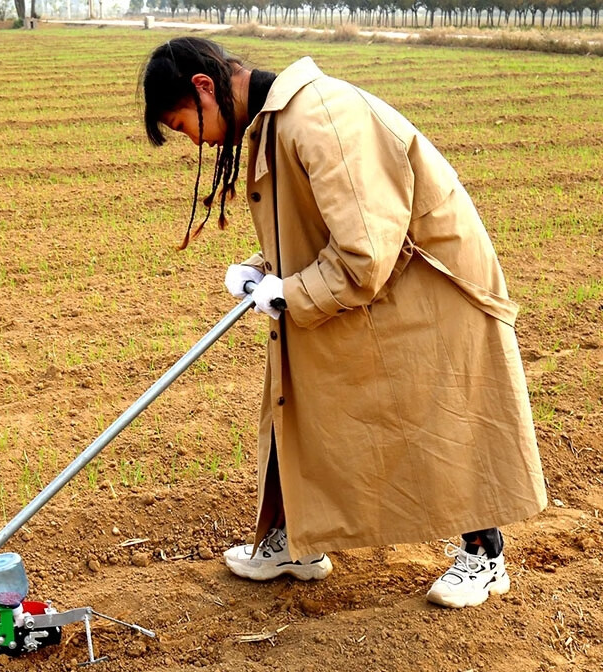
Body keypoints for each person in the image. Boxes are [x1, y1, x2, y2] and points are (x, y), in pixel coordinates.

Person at [140, 37, 547, 608]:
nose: (196, 140)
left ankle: (485, 554)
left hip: (432, 288)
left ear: (204, 89)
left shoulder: (319, 117)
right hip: (383, 279)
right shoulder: (277, 125)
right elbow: (318, 229)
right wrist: (265, 272)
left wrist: (291, 291)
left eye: (184, 125)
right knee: (296, 392)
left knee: (437, 409)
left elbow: (363, 251)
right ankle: (293, 542)